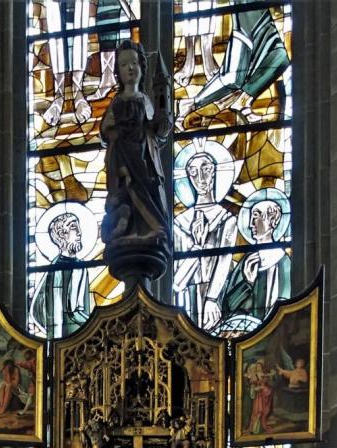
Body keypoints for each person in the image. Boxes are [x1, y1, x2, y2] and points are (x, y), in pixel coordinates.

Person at [100, 40, 172, 251]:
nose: (130, 68)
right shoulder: (117, 101)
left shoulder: (144, 99)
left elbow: (156, 128)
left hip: (143, 156)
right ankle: (129, 229)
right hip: (123, 155)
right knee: (126, 190)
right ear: (118, 73)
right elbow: (105, 129)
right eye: (123, 65)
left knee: (147, 186)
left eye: (134, 63)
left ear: (142, 66)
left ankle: (153, 227)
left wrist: (162, 126)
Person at [173, 149, 237, 330]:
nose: (200, 177)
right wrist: (197, 246)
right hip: (184, 299)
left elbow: (224, 262)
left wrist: (211, 298)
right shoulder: (179, 223)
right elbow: (176, 281)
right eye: (193, 172)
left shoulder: (227, 220)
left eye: (205, 169)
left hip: (217, 295)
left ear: (215, 172)